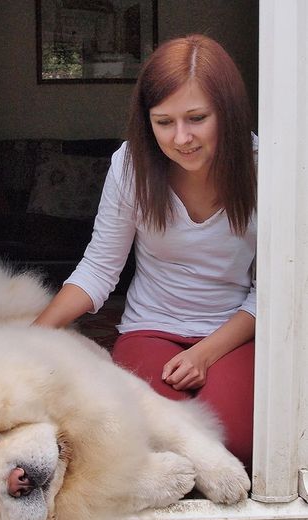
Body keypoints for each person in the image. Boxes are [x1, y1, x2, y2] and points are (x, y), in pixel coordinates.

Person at [33, 34, 257, 470]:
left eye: (197, 118)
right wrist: (31, 333)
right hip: (150, 326)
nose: (181, 138)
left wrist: (204, 353)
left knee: (234, 444)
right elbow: (99, 267)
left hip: (231, 330)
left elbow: (277, 289)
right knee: (140, 440)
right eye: (164, 122)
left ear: (226, 112)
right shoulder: (131, 166)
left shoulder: (261, 167)